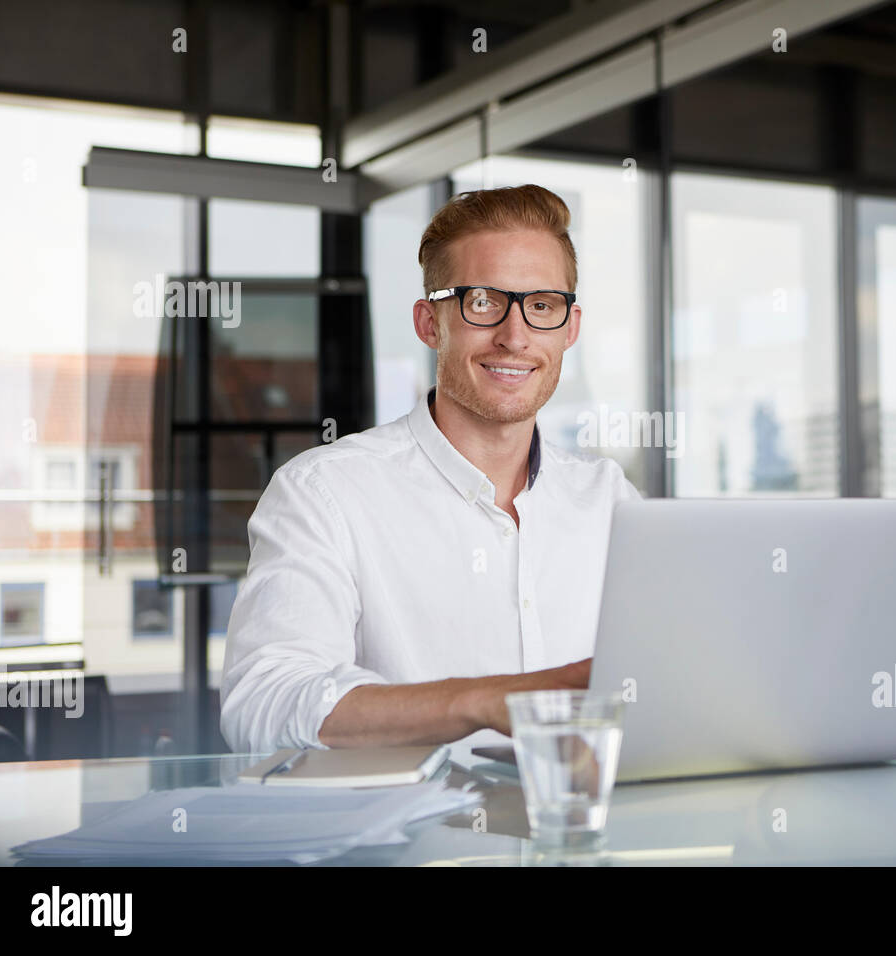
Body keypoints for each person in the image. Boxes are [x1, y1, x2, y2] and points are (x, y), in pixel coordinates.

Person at [219, 184, 639, 753]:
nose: (515, 337)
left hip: (585, 832)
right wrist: (485, 702)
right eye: (484, 302)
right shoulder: (324, 493)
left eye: (541, 306)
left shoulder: (611, 501)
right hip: (410, 842)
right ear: (429, 323)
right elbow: (262, 703)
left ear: (569, 328)